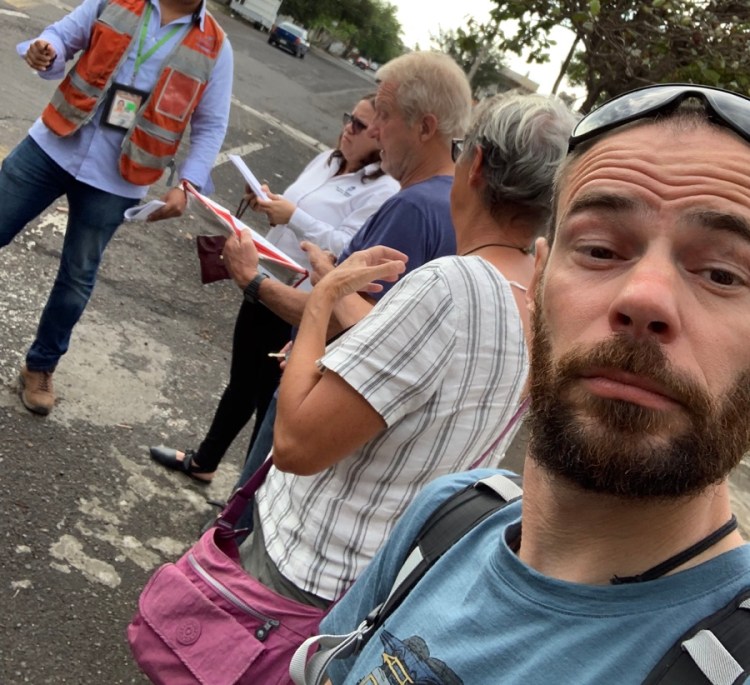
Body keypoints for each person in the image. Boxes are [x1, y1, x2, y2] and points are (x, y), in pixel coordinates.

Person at [318, 84, 750, 684]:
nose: (644, 298)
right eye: (599, 249)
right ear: (539, 282)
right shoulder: (448, 517)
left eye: (723, 273)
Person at [233, 91, 576, 610]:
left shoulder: (449, 285)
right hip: (390, 579)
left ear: (475, 164)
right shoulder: (541, 302)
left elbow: (296, 445)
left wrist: (324, 298)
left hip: (313, 563)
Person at [154, 50, 472, 484]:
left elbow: (350, 320)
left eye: (383, 115)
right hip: (335, 387)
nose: (373, 130)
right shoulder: (446, 200)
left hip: (320, 379)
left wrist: (252, 280)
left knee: (258, 491)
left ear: (426, 127)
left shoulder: (411, 206)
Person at [149, 94, 399, 482]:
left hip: (302, 300)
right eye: (349, 118)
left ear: (381, 136)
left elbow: (348, 249)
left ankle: (246, 495)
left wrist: (293, 215)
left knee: (272, 399)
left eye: (360, 125)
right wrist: (269, 204)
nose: (348, 128)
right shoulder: (327, 160)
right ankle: (205, 461)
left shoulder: (384, 191)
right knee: (242, 380)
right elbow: (294, 212)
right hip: (267, 277)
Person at [1, 0, 233, 416]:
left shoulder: (216, 47)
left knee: (77, 278)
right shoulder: (115, 1)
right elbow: (62, 35)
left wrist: (188, 184)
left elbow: (211, 124)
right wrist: (46, 49)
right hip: (53, 144)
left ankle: (40, 366)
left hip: (119, 177)